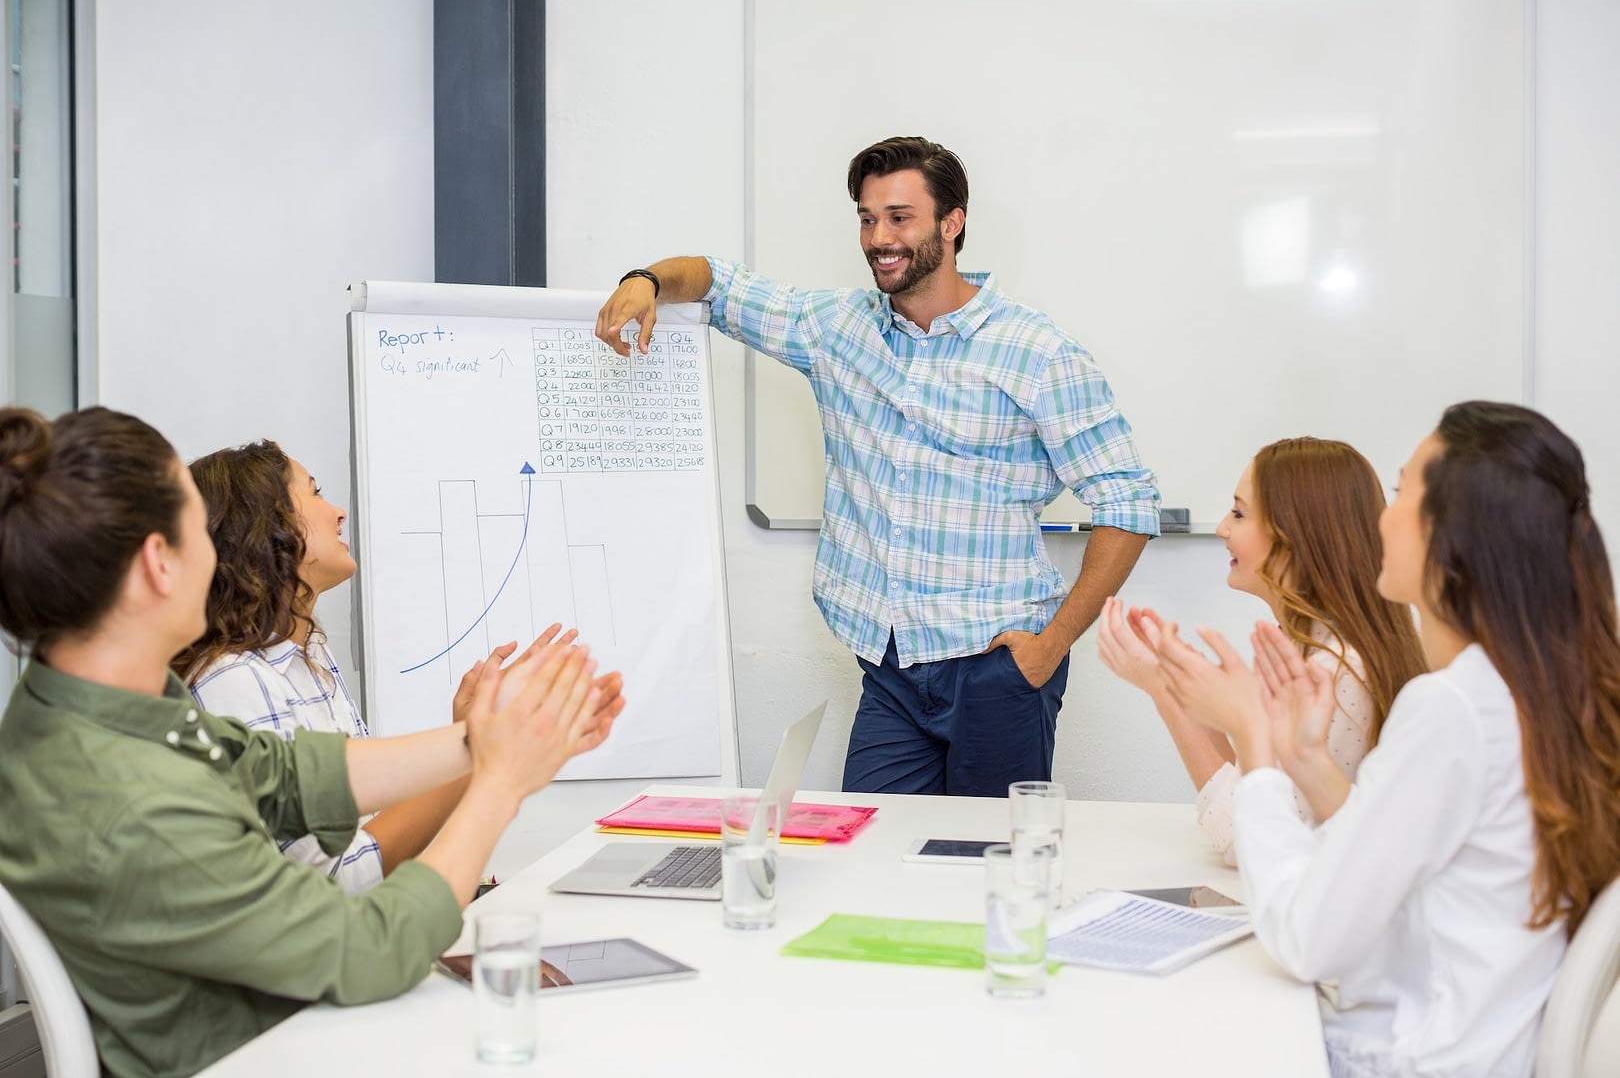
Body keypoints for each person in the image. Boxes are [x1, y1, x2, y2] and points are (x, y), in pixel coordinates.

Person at [0, 405, 623, 1078]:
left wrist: (481, 739)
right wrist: (501, 783)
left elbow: (283, 774)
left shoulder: (75, 705)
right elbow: (369, 949)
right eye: (195, 529)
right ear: (160, 562)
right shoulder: (134, 807)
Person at [595, 135, 1160, 796]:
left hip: (995, 668)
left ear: (953, 223)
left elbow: (1127, 500)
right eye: (867, 218)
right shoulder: (834, 328)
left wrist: (1049, 646)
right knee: (871, 857)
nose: (878, 237)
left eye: (899, 217)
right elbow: (718, 283)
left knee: (986, 875)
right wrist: (646, 280)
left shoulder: (1036, 353)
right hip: (890, 665)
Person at [1154, 402, 1620, 1076]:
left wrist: (1253, 741)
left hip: (1404, 1059)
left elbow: (1307, 940)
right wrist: (1309, 762)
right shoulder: (1536, 688)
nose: (1382, 518)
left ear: (1454, 536)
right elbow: (1411, 863)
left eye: (1403, 494)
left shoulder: (1453, 706)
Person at [173, 442, 587, 893]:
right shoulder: (233, 682)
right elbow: (338, 881)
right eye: (314, 494)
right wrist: (476, 749)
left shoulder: (307, 655)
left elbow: (363, 834)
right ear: (266, 526)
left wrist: (471, 736)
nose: (338, 512)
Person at [1096, 438, 1426, 861]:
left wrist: (1165, 693)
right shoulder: (1310, 647)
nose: (1221, 528)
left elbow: (1240, 837)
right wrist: (1189, 689)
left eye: (1238, 513)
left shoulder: (1333, 668)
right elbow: (1249, 786)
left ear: (1294, 535)